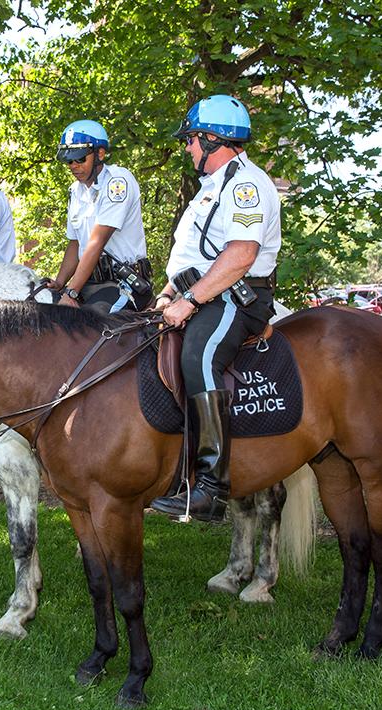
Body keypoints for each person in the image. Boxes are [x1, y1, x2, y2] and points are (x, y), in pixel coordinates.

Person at [148, 95, 281, 523]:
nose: (187, 147)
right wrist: (169, 292)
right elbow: (192, 255)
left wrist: (190, 299)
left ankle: (210, 488)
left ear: (211, 138)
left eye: (191, 139)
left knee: (199, 356)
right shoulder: (211, 186)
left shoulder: (245, 184)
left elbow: (241, 254)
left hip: (237, 297)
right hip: (205, 291)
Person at [49, 119, 153, 314]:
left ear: (100, 154)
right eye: (69, 160)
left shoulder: (117, 182)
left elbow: (97, 242)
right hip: (88, 285)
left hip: (122, 284)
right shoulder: (75, 191)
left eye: (80, 159)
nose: (73, 165)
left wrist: (71, 292)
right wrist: (59, 283)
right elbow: (75, 243)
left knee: (87, 330)